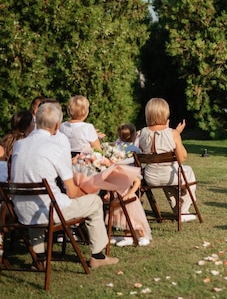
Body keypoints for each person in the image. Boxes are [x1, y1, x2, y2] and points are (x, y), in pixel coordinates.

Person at [10, 102, 118, 268]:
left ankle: (40, 258)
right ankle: (98, 255)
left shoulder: (19, 145)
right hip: (50, 211)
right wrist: (86, 195)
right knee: (95, 202)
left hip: (22, 211)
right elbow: (72, 192)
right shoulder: (55, 147)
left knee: (38, 201)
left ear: (36, 120)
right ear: (57, 125)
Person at [137, 98, 198, 222]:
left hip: (149, 178)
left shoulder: (141, 133)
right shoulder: (173, 133)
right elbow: (182, 158)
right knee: (187, 173)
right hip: (169, 176)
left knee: (170, 179)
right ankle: (183, 211)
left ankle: (179, 211)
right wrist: (177, 134)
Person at [108, 175, 151, 247]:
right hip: (117, 198)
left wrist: (129, 194)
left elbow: (137, 181)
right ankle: (128, 235)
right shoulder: (108, 173)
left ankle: (142, 236)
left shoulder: (123, 172)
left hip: (127, 197)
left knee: (133, 218)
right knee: (123, 218)